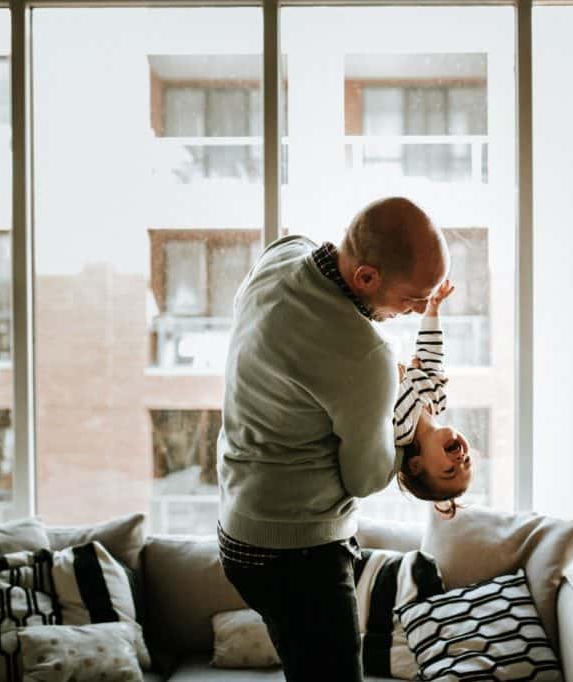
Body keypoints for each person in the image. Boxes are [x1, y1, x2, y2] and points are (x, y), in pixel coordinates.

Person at [216, 196, 449, 681]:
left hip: (238, 531)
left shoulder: (281, 256)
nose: (418, 310)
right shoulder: (364, 356)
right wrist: (408, 429)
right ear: (366, 278)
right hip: (296, 552)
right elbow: (364, 478)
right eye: (413, 299)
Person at [393, 279, 473, 517]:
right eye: (467, 462)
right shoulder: (436, 401)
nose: (460, 458)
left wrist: (400, 376)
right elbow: (431, 354)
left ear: (416, 465)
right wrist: (433, 309)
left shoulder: (399, 428)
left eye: (449, 470)